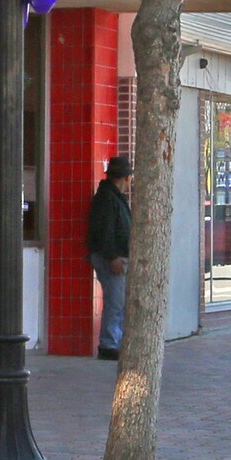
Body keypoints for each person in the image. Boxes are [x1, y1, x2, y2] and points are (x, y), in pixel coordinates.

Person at [87, 154, 132, 361]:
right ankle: (109, 344)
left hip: (113, 256)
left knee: (118, 301)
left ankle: (114, 341)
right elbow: (104, 232)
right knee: (115, 301)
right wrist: (113, 257)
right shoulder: (108, 198)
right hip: (111, 258)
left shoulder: (111, 196)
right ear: (126, 178)